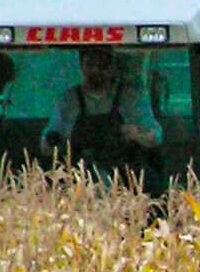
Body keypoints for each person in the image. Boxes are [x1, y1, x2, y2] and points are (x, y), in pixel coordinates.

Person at [41, 48, 162, 178]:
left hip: (124, 176)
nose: (95, 71)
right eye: (90, 65)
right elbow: (47, 145)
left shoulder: (130, 98)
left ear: (111, 68)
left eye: (101, 66)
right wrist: (53, 140)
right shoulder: (68, 100)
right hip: (78, 177)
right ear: (81, 66)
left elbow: (155, 137)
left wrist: (136, 134)